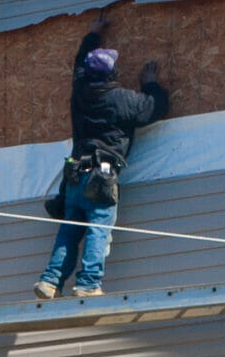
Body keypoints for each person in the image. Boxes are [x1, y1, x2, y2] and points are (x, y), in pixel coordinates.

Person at [36, 25, 169, 299]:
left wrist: (92, 37)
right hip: (102, 177)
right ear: (113, 74)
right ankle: (87, 284)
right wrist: (151, 83)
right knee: (98, 229)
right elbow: (155, 107)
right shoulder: (123, 100)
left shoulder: (80, 91)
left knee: (70, 229)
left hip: (74, 176)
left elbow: (79, 64)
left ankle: (50, 281)